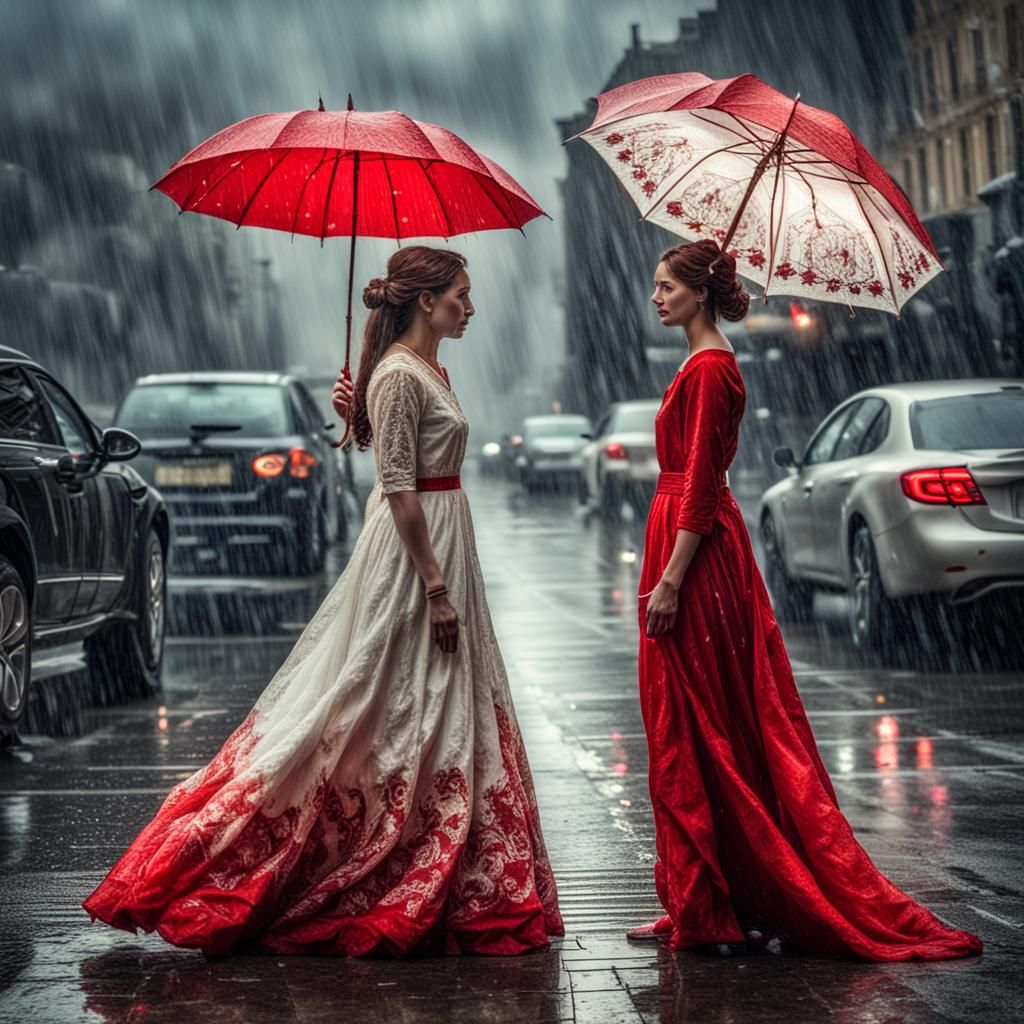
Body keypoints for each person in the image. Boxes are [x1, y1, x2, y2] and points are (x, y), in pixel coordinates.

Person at [83, 245, 564, 957]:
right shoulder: (402, 372)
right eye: (461, 293)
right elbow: (399, 484)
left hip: (442, 540)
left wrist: (360, 408)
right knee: (375, 693)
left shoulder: (419, 369)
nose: (471, 305)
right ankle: (340, 844)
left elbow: (403, 447)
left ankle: (439, 851)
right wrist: (433, 585)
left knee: (424, 695)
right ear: (425, 301)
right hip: (414, 551)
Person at [627, 238, 982, 961]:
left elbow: (698, 484)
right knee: (702, 717)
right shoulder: (707, 366)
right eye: (656, 286)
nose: (657, 297)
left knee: (701, 718)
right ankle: (714, 887)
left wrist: (670, 577)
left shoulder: (710, 370)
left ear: (698, 292)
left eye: (667, 286)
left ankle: (722, 891)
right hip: (692, 543)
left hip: (693, 553)